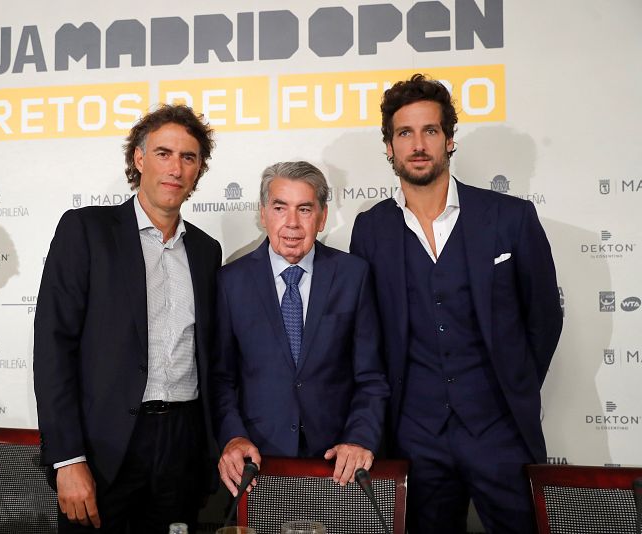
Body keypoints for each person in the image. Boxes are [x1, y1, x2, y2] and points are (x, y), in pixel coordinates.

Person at [350, 74, 563, 533]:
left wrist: (514, 387)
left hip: (500, 431)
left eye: (430, 130)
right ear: (388, 146)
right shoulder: (370, 229)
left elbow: (544, 317)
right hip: (414, 435)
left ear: (449, 140)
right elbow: (368, 333)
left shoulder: (511, 217)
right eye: (404, 133)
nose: (418, 144)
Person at [34, 104, 222, 533]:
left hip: (183, 447)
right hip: (104, 450)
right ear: (139, 159)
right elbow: (53, 348)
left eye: (188, 157)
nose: (175, 168)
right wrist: (68, 458)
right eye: (163, 153)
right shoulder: (86, 230)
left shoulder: (206, 251)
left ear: (198, 169)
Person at [211, 161, 389, 496]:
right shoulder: (230, 281)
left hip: (338, 464)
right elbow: (221, 379)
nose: (292, 223)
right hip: (257, 464)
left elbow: (371, 377)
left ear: (322, 218)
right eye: (280, 208)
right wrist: (233, 437)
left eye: (304, 209)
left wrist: (359, 438)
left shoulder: (353, 275)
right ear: (263, 213)